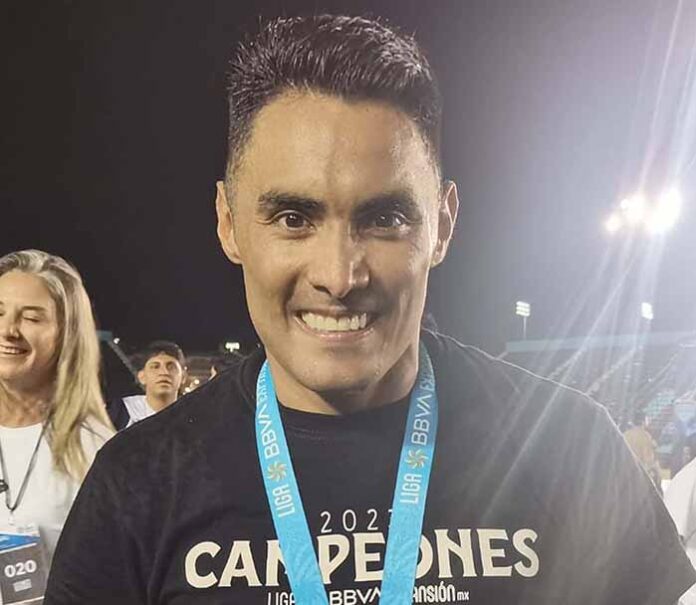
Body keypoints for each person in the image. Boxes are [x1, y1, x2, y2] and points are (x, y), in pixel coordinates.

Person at [45, 14, 694, 604]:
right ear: (228, 222)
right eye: (293, 217)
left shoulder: (572, 448)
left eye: (384, 218)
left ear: (442, 225)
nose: (339, 276)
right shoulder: (137, 483)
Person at [0, 250, 113, 598]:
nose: (8, 330)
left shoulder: (96, 451)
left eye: (31, 318)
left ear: (67, 333)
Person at [106, 340, 187, 429]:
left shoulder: (192, 415)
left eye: (171, 367)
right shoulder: (121, 411)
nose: (164, 372)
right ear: (142, 377)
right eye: (155, 366)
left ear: (183, 377)